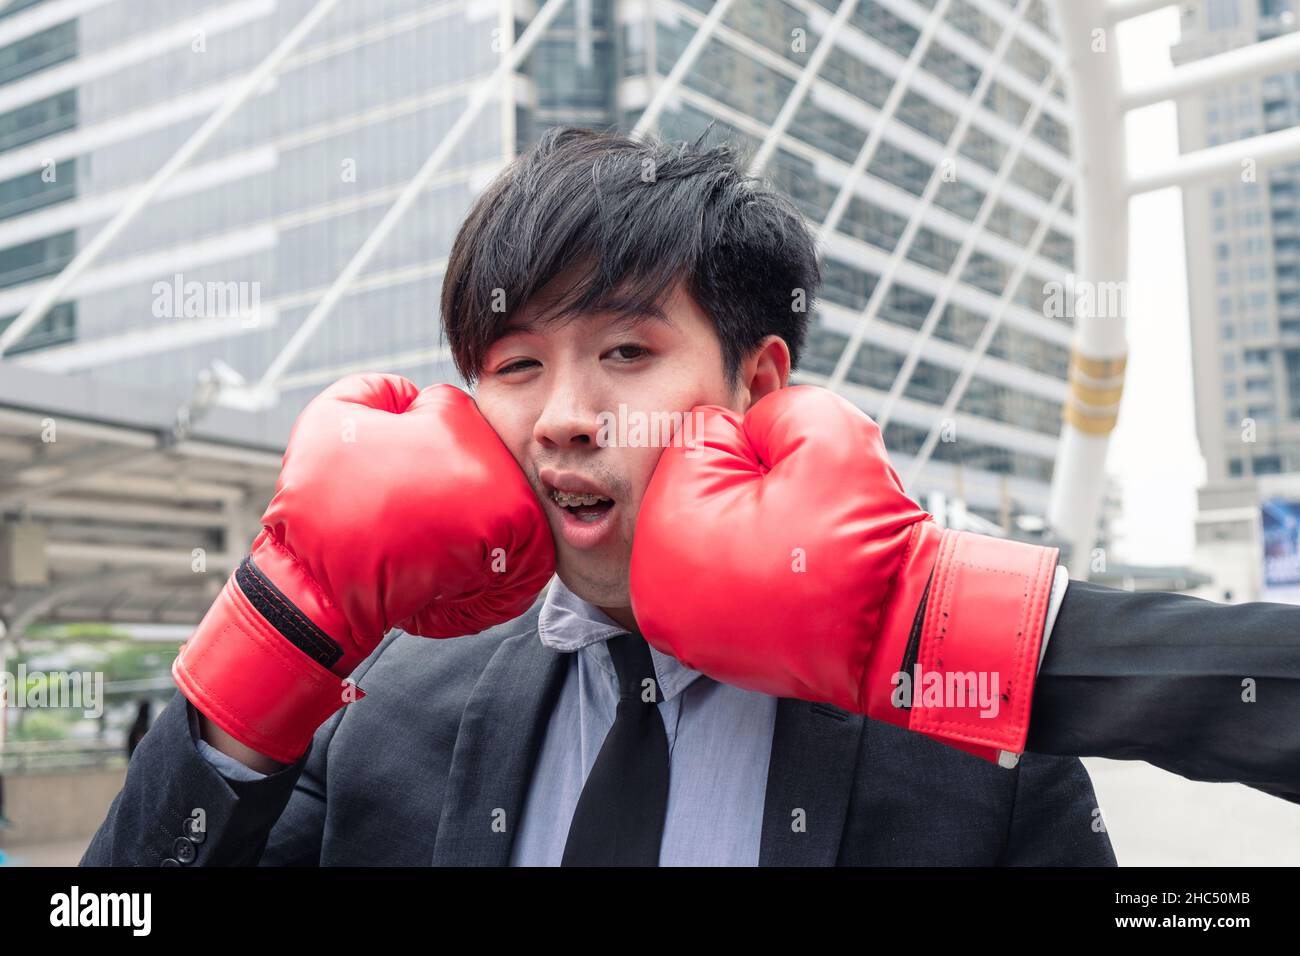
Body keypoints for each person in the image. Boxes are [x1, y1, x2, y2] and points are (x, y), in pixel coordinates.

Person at [80, 127, 1289, 868]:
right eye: (514, 365)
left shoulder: (968, 752)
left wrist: (929, 631)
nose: (560, 412)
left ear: (758, 382)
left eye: (624, 352)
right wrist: (274, 632)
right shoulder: (386, 710)